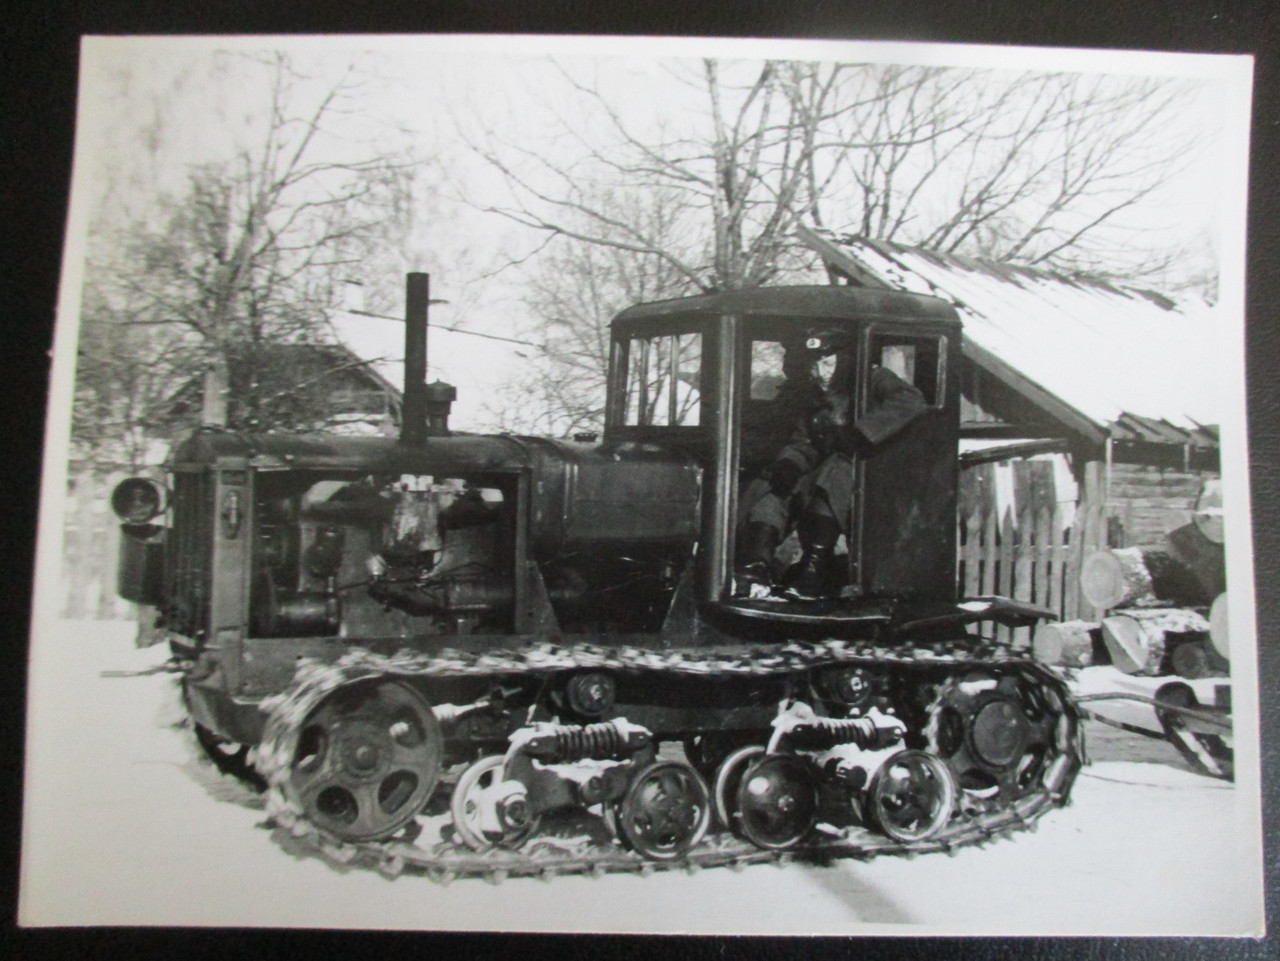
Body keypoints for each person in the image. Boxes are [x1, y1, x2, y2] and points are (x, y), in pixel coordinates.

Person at [735, 350, 928, 600]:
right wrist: (789, 463)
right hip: (828, 473)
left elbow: (911, 400)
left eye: (828, 363)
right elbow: (804, 442)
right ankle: (757, 564)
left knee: (834, 472)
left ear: (844, 361)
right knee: (776, 488)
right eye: (815, 365)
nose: (822, 372)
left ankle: (814, 567)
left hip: (874, 475)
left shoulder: (872, 378)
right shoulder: (815, 395)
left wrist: (862, 433)